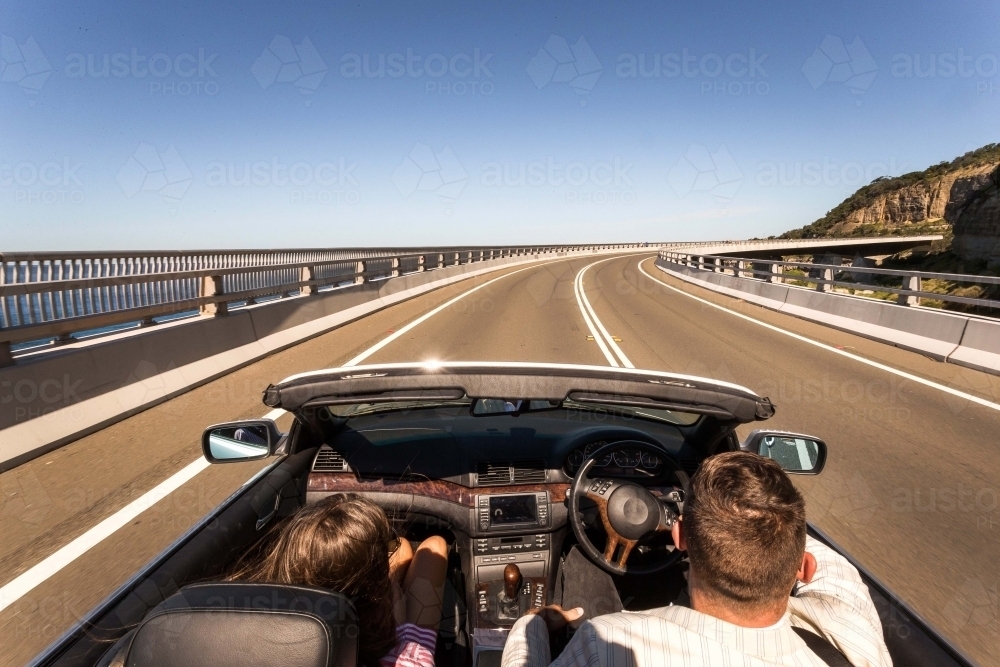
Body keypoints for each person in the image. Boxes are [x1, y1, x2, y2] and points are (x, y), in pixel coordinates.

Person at [502, 452, 892, 667]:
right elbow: (835, 568)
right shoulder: (851, 635)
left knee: (580, 557)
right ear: (802, 567)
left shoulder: (606, 644)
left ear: (680, 536)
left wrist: (531, 626)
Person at [229, 493, 449, 667]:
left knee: (400, 547)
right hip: (394, 644)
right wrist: (399, 626)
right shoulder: (410, 660)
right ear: (375, 606)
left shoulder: (244, 640)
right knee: (433, 545)